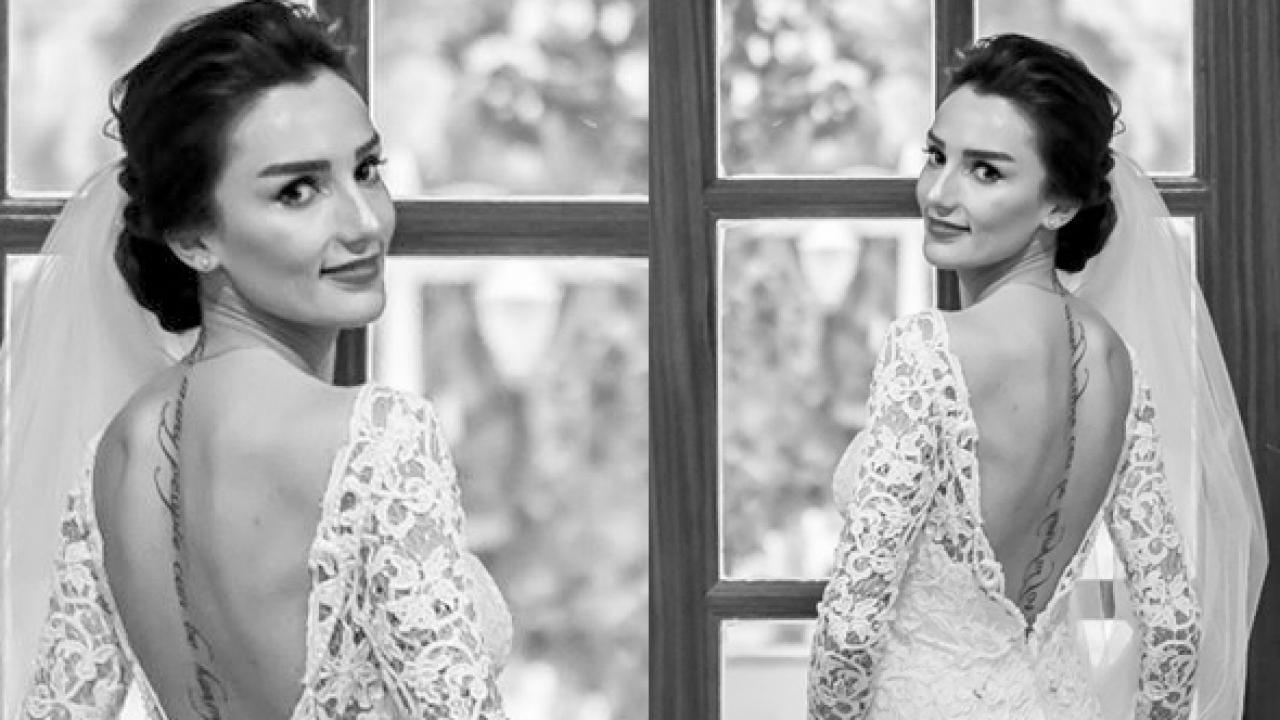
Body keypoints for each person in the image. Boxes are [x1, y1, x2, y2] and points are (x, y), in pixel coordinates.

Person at [1, 2, 509, 718]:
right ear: (193, 239)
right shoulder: (378, 437)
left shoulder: (112, 456)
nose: (365, 222)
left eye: (366, 169)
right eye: (297, 191)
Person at [806, 34, 1266, 720]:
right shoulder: (1117, 362)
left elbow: (850, 632)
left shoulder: (929, 351)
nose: (939, 193)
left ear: (1059, 205)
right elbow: (1174, 628)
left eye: (986, 172)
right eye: (936, 156)